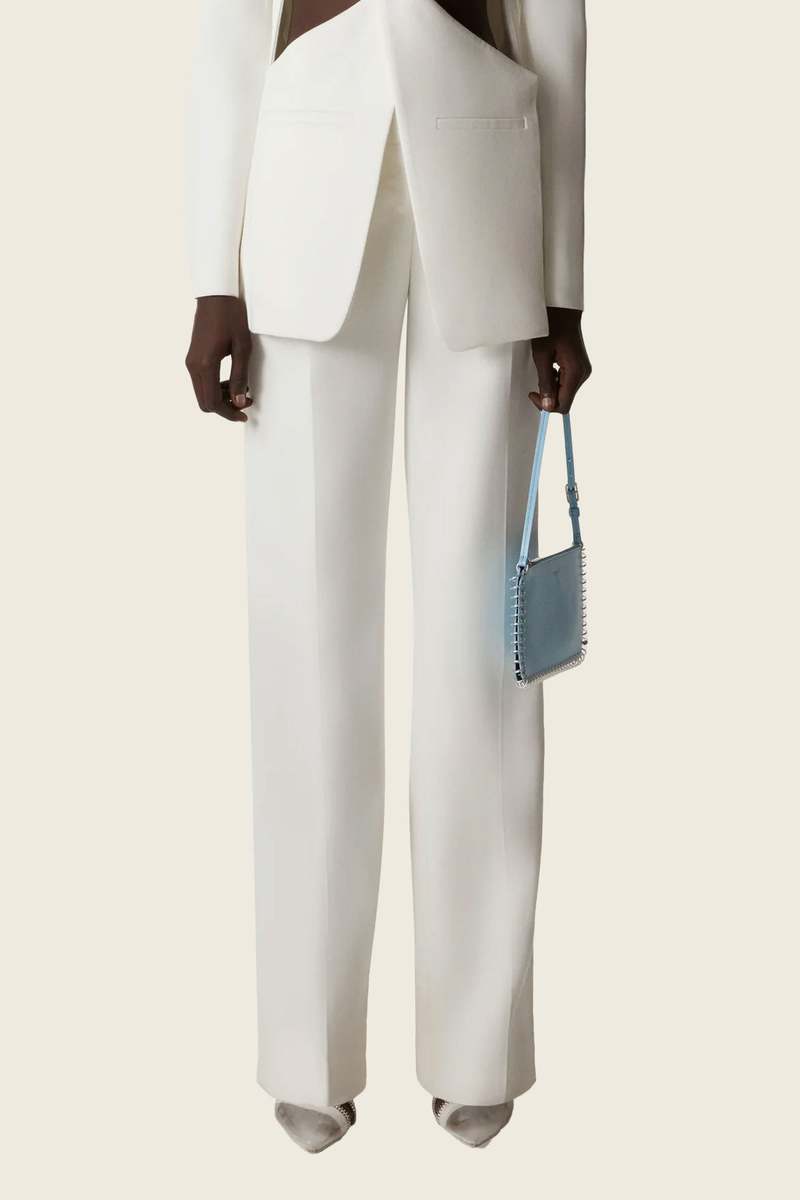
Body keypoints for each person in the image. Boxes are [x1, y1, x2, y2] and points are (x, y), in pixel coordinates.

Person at [184, 0, 591, 1152]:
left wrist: (564, 283)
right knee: (304, 645)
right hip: (301, 178)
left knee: (482, 658)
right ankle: (306, 1051)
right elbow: (227, 34)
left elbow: (557, 30)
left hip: (486, 184)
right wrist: (213, 273)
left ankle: (478, 1044)